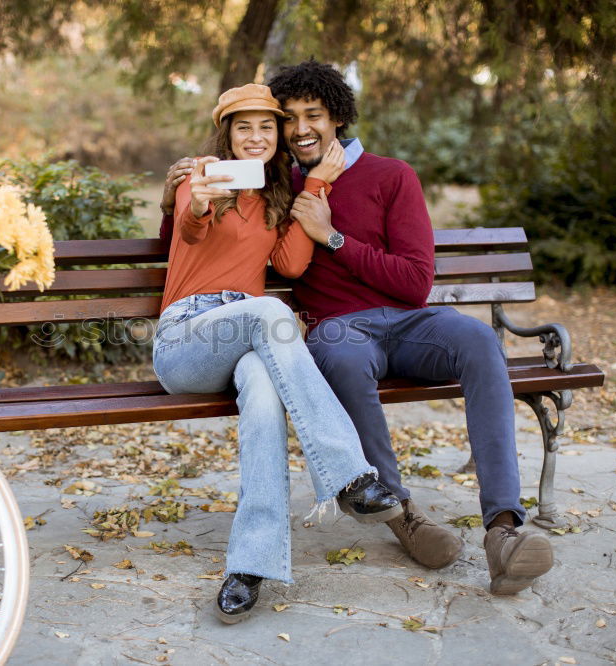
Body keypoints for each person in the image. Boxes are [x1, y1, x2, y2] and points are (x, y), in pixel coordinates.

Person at [257, 59, 554, 595]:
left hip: (413, 321)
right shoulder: (278, 191)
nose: (301, 129)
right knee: (344, 359)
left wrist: (333, 238)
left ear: (338, 117)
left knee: (479, 339)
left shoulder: (392, 175)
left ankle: (503, 530)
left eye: (314, 115)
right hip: (338, 330)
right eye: (289, 118)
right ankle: (404, 517)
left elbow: (415, 283)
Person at [152, 83, 402, 622]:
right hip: (185, 339)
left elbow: (289, 267)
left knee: (265, 395)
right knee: (270, 311)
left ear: (278, 138)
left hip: (244, 340)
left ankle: (251, 563)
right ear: (227, 133)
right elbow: (191, 229)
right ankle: (351, 477)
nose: (256, 136)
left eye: (268, 126)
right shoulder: (202, 178)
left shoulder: (276, 201)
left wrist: (315, 185)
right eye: (244, 126)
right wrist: (194, 201)